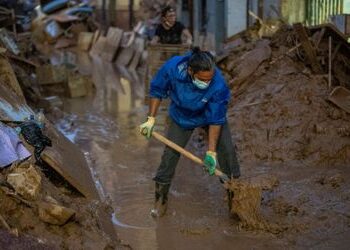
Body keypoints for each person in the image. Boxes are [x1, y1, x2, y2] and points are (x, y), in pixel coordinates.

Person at [139, 47, 241, 217]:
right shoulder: (172, 68)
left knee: (228, 152)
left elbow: (216, 120)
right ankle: (160, 200)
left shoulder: (219, 85)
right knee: (169, 157)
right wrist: (151, 119)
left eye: (209, 79)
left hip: (208, 116)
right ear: (190, 70)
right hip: (182, 116)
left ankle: (236, 199)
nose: (206, 83)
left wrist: (211, 152)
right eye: (202, 80)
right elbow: (157, 91)